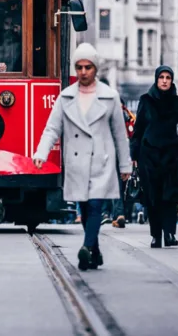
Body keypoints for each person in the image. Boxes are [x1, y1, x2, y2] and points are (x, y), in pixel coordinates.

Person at [33, 43, 131, 271]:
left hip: (101, 162)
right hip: (77, 163)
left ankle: (86, 248)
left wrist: (125, 165)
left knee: (96, 206)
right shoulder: (65, 97)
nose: (84, 71)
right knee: (85, 209)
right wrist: (41, 153)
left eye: (88, 67)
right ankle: (95, 251)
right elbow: (51, 129)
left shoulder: (110, 97)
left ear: (95, 68)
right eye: (79, 67)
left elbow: (120, 134)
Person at [131, 66, 178, 248]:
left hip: (171, 155)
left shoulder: (177, 102)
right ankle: (156, 235)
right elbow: (137, 131)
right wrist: (133, 155)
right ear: (156, 79)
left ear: (171, 80)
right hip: (149, 155)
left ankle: (169, 233)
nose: (164, 80)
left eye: (168, 77)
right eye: (161, 77)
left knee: (170, 196)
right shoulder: (145, 101)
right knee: (153, 196)